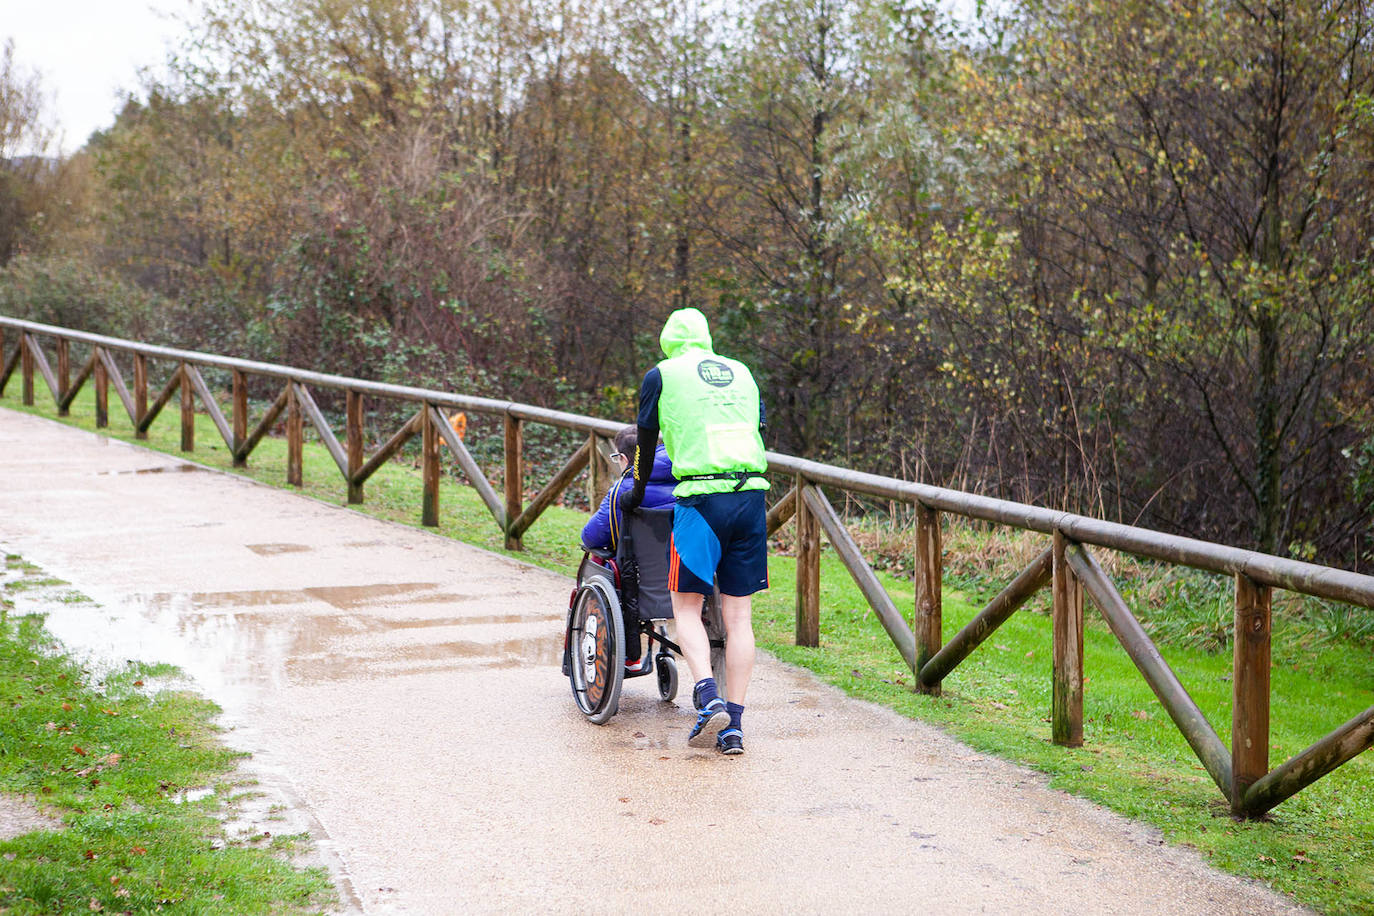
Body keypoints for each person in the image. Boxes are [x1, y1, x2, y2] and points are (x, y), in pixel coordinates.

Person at [625, 307, 768, 756]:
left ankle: (707, 696)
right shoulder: (742, 371)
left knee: (684, 608)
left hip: (702, 499)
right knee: (739, 617)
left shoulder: (661, 375)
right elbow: (759, 428)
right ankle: (735, 725)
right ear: (707, 337)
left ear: (669, 340)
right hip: (750, 495)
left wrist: (636, 488)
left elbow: (646, 443)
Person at [581, 425, 676, 673]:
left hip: (635, 583)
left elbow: (591, 537)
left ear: (623, 458)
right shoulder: (686, 485)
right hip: (681, 576)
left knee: (600, 562)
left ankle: (630, 657)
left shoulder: (622, 490)